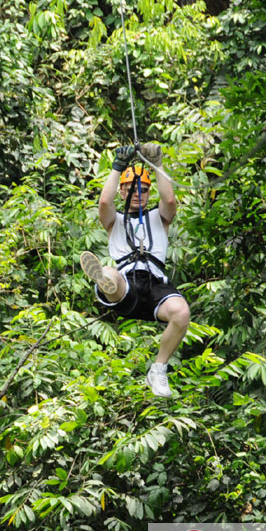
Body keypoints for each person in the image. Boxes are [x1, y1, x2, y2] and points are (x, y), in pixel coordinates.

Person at [80, 143, 190, 397]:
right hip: (126, 282)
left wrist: (157, 163)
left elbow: (170, 199)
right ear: (123, 191)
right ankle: (104, 284)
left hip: (155, 284)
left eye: (143, 189)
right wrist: (118, 167)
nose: (138, 193)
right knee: (109, 273)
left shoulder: (159, 218)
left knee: (181, 312)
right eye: (132, 189)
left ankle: (158, 369)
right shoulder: (114, 221)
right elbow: (105, 201)